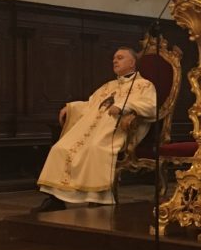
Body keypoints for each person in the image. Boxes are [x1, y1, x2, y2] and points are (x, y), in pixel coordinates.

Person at [32, 47, 157, 212]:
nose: (115, 61)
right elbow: (91, 105)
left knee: (96, 148)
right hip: (93, 130)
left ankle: (99, 198)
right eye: (114, 58)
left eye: (120, 58)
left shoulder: (144, 85)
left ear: (132, 63)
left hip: (117, 130)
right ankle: (55, 199)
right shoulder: (108, 86)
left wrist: (124, 106)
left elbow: (151, 107)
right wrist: (71, 108)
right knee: (60, 148)